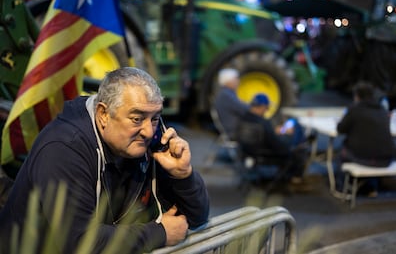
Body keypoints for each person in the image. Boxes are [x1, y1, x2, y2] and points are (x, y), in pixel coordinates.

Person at [0, 67, 210, 254]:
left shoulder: (151, 140)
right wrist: (159, 233)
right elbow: (79, 243)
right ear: (103, 114)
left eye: (155, 118)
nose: (148, 131)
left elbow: (196, 218)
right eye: (137, 119)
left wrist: (183, 175)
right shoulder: (63, 148)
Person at [336, 81, 395, 196]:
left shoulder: (355, 109)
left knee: (341, 152)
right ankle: (370, 187)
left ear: (357, 96)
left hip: (365, 158)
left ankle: (341, 187)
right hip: (387, 159)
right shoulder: (382, 110)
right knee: (372, 149)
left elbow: (340, 128)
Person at [236, 93, 307, 183]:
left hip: (248, 152)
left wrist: (274, 131)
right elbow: (276, 144)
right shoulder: (263, 123)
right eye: (267, 108)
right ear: (262, 107)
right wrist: (287, 134)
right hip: (267, 154)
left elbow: (263, 135)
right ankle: (295, 176)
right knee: (299, 141)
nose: (266, 110)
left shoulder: (244, 118)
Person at [213, 68, 250, 140]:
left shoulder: (226, 94)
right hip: (235, 132)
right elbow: (245, 109)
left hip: (235, 129)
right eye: (235, 79)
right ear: (228, 81)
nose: (238, 81)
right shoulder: (226, 95)